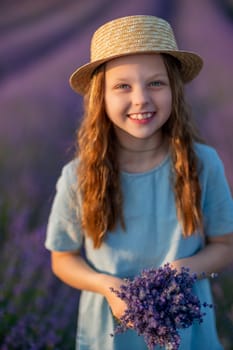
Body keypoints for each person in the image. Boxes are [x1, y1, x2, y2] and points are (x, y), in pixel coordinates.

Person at [45, 15, 233, 350]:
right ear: (99, 97)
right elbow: (63, 258)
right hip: (109, 336)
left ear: (174, 89)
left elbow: (225, 245)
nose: (141, 99)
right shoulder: (78, 176)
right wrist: (106, 285)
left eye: (156, 83)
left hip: (188, 335)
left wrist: (182, 269)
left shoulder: (203, 165)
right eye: (122, 86)